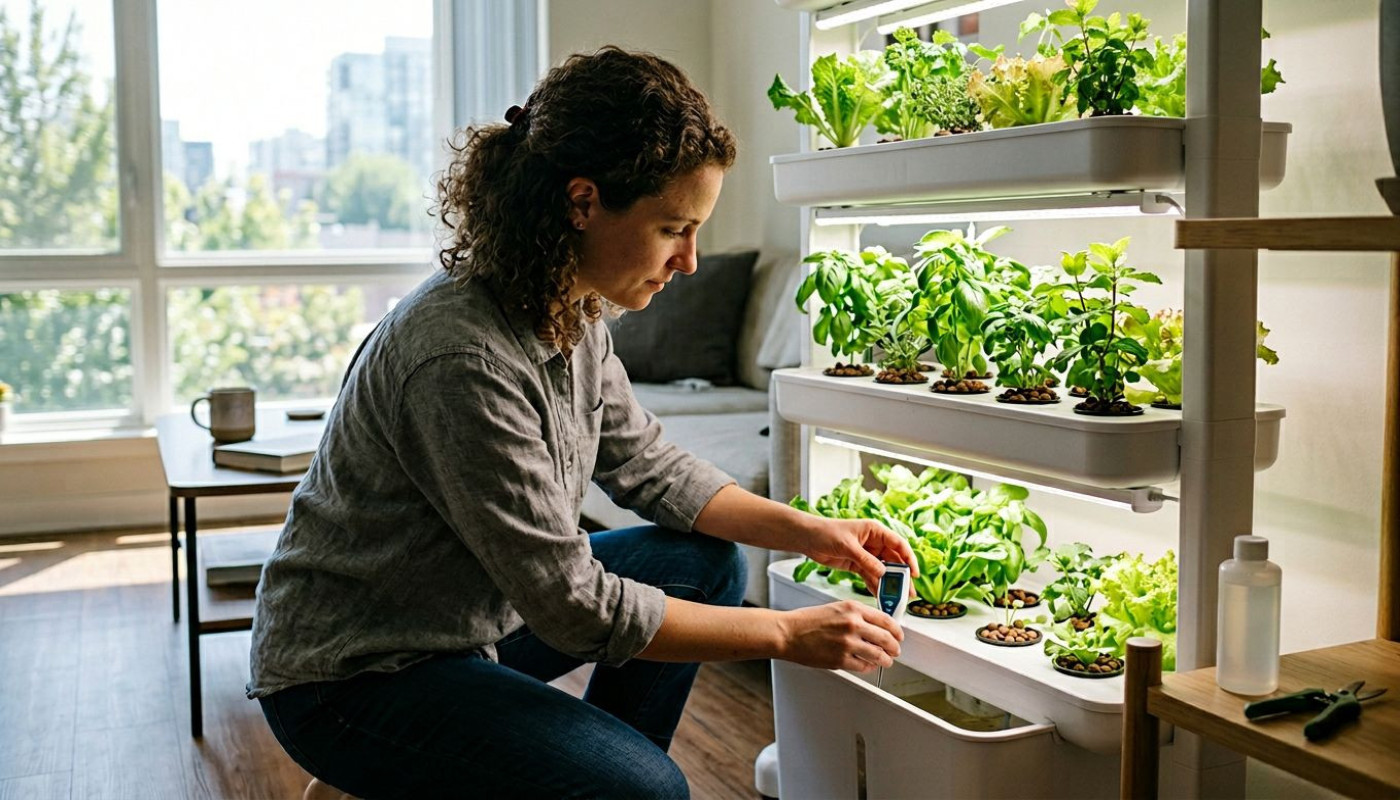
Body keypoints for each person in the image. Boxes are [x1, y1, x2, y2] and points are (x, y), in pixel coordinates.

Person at [248, 46, 916, 800]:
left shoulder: (570, 306)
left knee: (707, 563)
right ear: (582, 201)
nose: (690, 261)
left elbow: (650, 466)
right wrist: (787, 636)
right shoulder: (460, 359)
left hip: (469, 625)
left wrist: (812, 530)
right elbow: (571, 603)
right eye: (673, 229)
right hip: (356, 672)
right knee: (651, 791)